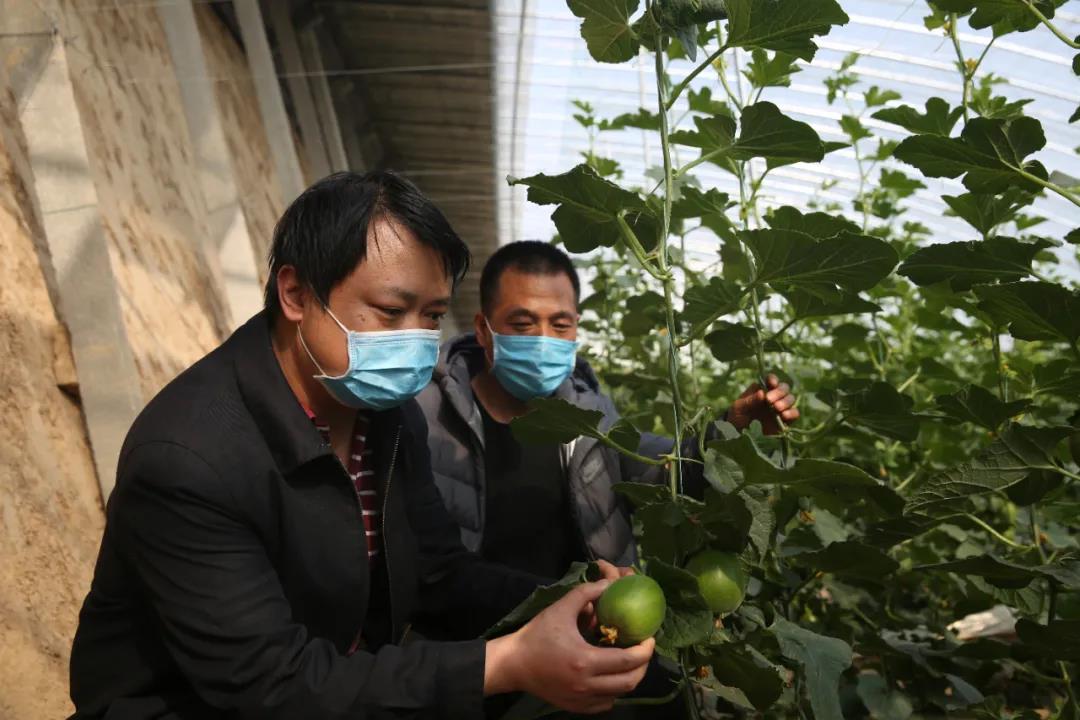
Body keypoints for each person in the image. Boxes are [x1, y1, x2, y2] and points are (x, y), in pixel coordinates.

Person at [68, 174, 655, 720]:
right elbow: (271, 684)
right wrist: (505, 662)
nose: (415, 340)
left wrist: (572, 596)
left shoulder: (385, 417)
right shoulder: (189, 458)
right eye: (391, 311)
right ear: (296, 293)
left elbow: (438, 575)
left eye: (431, 316)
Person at [417, 241, 799, 575]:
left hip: (591, 624)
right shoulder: (428, 415)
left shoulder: (589, 413)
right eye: (522, 324)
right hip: (475, 633)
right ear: (483, 329)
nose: (544, 339)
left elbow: (660, 470)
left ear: (576, 327)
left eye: (560, 325)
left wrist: (728, 428)